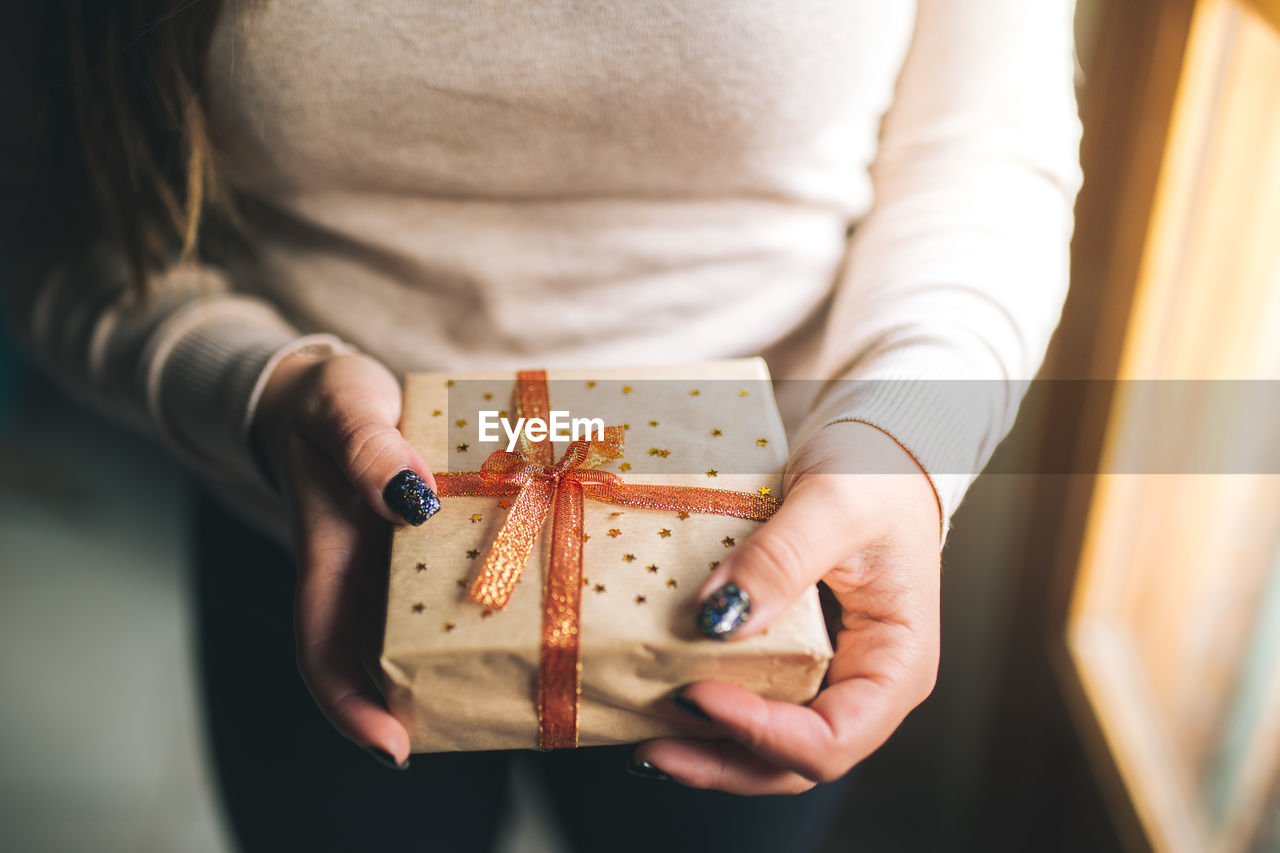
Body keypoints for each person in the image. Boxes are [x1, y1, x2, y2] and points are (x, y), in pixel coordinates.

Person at [1, 1, 1082, 850]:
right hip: (318, 543)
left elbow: (986, 155)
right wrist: (263, 388)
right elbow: (54, 203)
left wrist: (906, 440)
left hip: (756, 560)